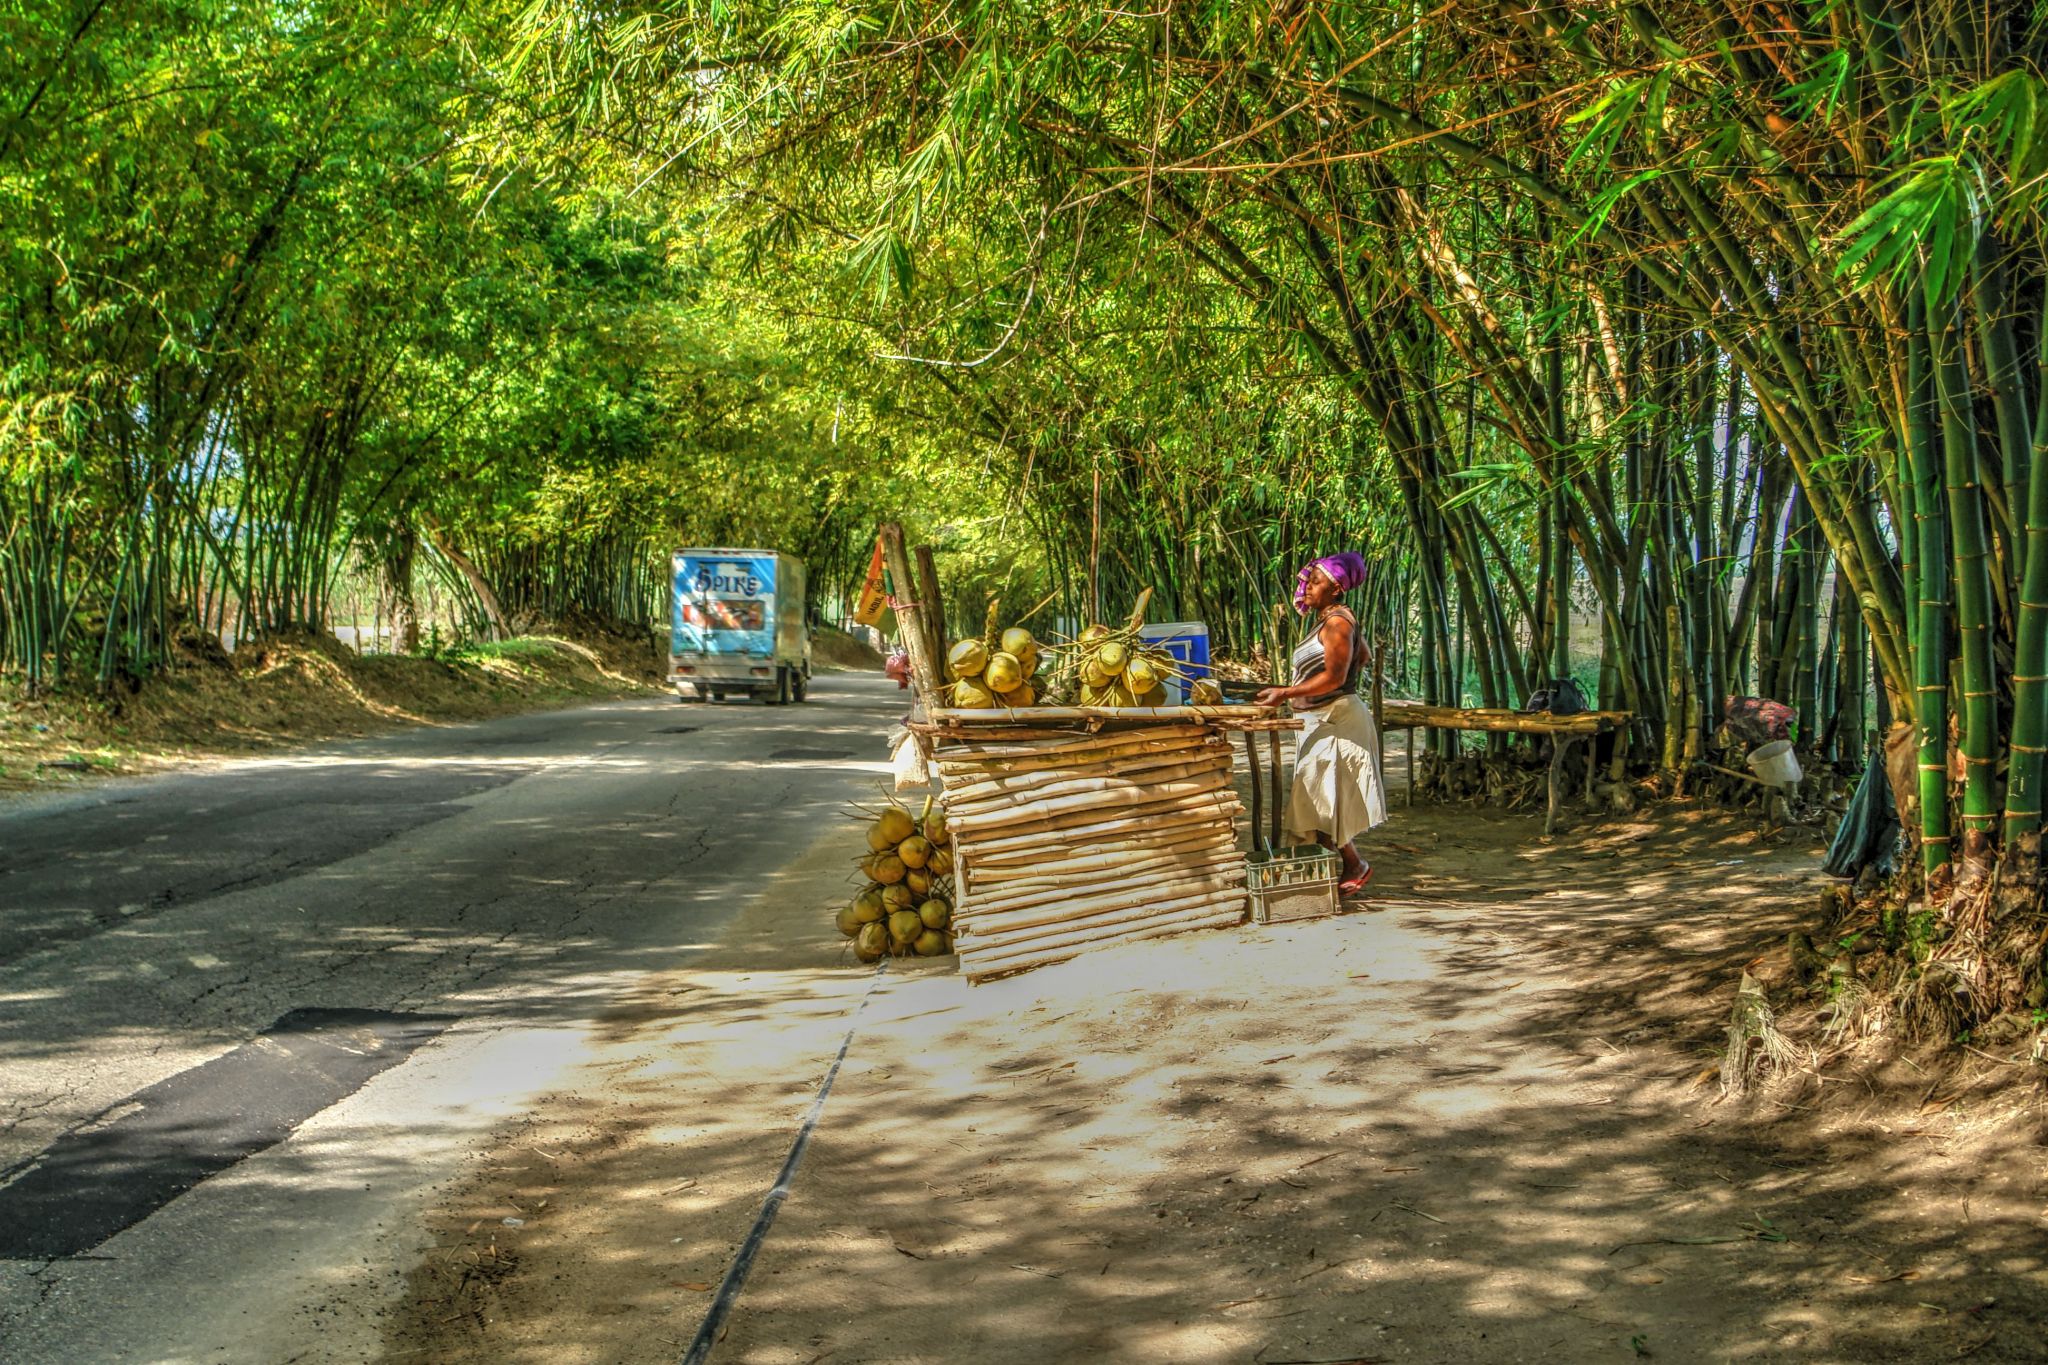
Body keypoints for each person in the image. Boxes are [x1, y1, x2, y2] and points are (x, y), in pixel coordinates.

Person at [1254, 553, 1387, 894]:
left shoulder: (1338, 623)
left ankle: (1352, 863)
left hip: (1337, 719)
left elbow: (1335, 675)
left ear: (1337, 587)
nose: (1306, 587)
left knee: (1314, 801)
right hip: (1320, 719)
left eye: (1316, 582)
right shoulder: (1331, 620)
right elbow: (1364, 655)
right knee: (1318, 802)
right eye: (1308, 581)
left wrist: (1286, 692)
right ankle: (1326, 876)